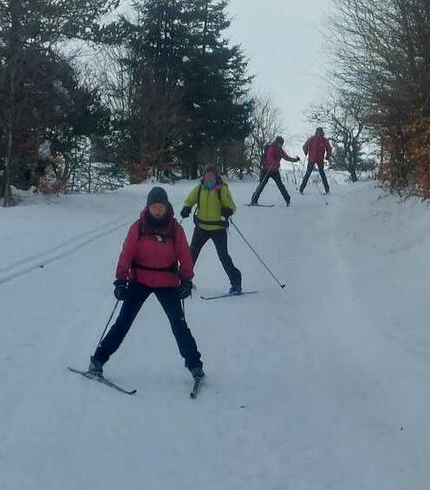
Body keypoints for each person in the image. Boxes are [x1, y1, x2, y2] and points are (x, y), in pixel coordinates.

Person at [88, 186, 203, 382]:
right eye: (154, 207)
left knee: (179, 325)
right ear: (148, 207)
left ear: (166, 207)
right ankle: (98, 360)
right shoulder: (138, 227)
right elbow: (126, 255)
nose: (157, 211)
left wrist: (186, 280)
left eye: (161, 207)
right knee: (123, 322)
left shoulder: (175, 229)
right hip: (139, 281)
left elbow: (185, 255)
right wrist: (120, 281)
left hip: (167, 282)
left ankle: (195, 366)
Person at [180, 165, 243, 295]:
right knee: (191, 255)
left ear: (216, 177)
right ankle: (183, 282)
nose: (208, 178)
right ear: (203, 176)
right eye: (206, 175)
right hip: (201, 228)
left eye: (211, 176)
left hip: (218, 229)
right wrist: (186, 208)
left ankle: (236, 283)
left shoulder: (222, 189)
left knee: (224, 257)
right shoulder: (199, 188)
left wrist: (228, 210)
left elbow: (232, 206)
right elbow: (189, 200)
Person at [251, 136, 299, 206]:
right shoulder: (272, 148)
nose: (281, 145)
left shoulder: (280, 150)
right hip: (267, 169)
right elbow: (269, 157)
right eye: (280, 143)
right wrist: (274, 162)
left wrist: (295, 160)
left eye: (282, 144)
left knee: (280, 185)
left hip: (274, 171)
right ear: (276, 142)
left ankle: (287, 199)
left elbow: (286, 157)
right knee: (262, 185)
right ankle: (254, 199)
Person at [300, 127, 333, 194]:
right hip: (312, 159)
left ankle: (327, 190)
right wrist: (306, 152)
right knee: (308, 173)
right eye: (318, 132)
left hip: (319, 159)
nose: (319, 133)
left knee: (321, 173)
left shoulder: (324, 140)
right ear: (316, 132)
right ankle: (301, 189)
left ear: (321, 132)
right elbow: (305, 146)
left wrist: (327, 156)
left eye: (320, 132)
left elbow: (329, 148)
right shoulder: (312, 139)